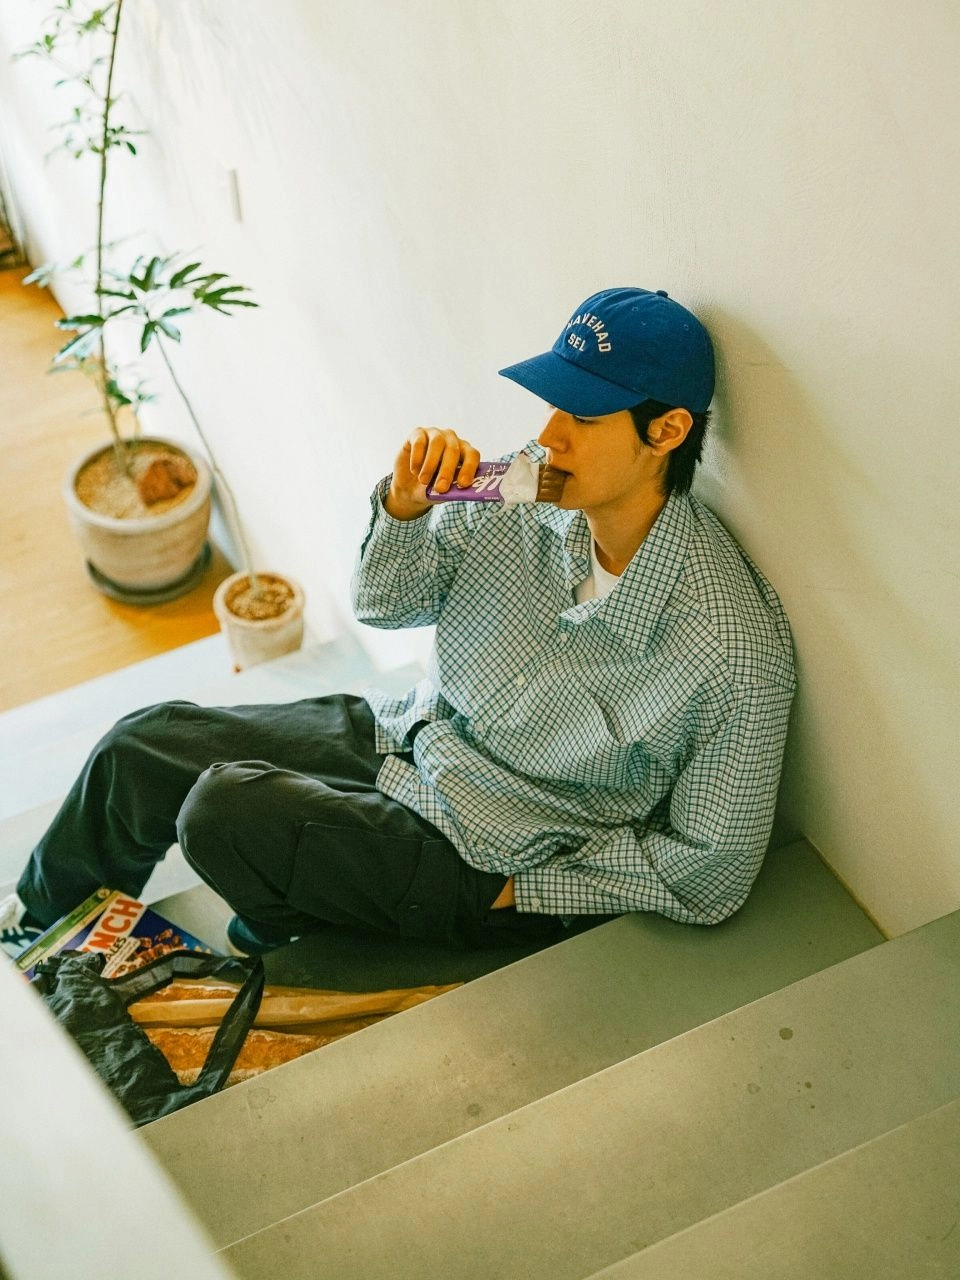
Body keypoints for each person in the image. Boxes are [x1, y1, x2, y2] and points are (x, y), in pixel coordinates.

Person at [0, 287, 795, 961]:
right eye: (554, 401)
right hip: (411, 737)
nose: (550, 434)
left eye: (584, 415)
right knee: (142, 747)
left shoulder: (729, 650)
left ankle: (299, 922)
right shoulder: (529, 484)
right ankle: (34, 935)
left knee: (225, 814)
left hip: (490, 854)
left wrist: (522, 891)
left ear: (666, 433)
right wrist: (406, 506)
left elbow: (711, 874)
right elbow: (387, 605)